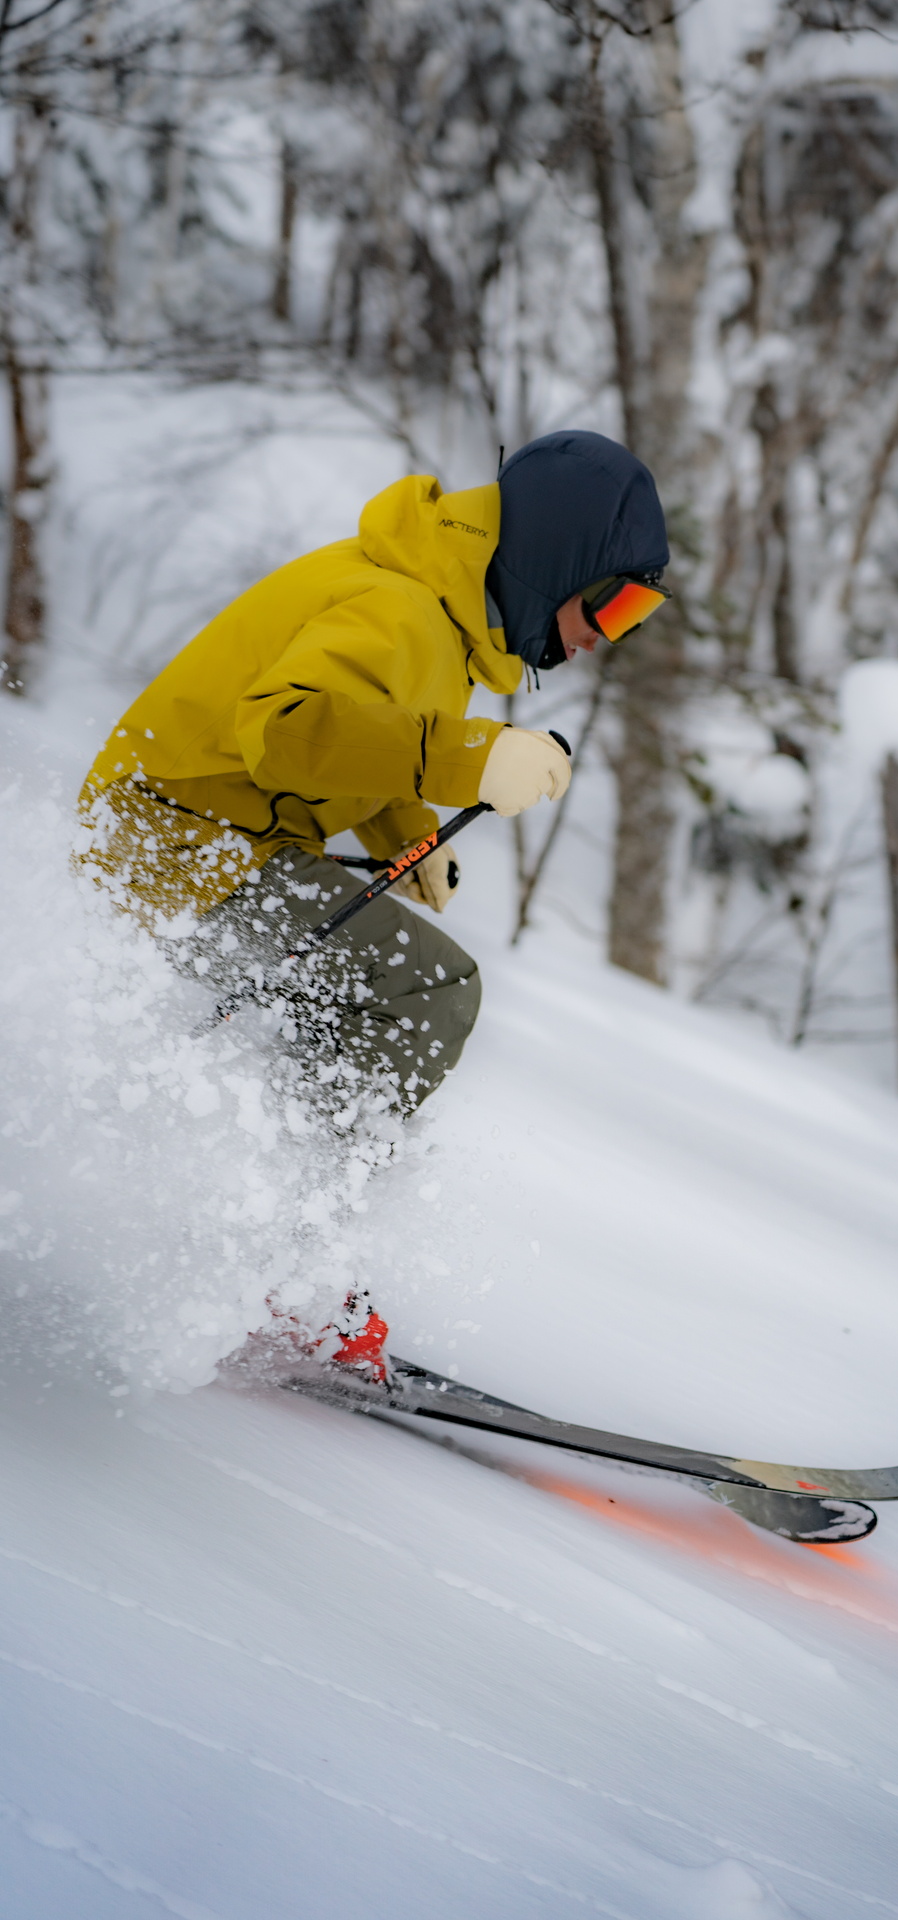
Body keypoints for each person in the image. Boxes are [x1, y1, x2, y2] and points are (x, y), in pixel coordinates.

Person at [77, 429, 670, 1376]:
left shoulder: (434, 607)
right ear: (557, 559)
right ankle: (285, 1262)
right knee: (429, 990)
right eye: (612, 604)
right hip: (172, 846)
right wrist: (472, 758)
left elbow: (372, 723)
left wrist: (400, 830)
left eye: (635, 617)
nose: (603, 637)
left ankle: (260, 1230)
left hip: (195, 838)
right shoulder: (397, 608)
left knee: (368, 994)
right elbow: (290, 729)